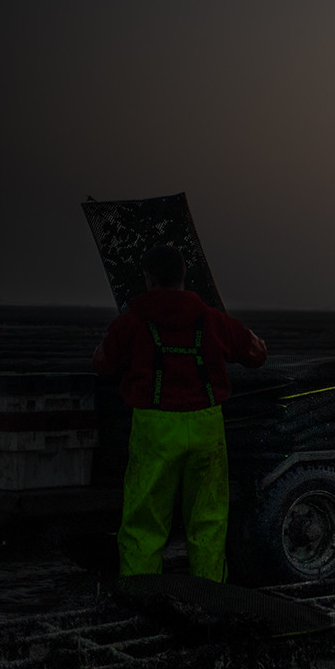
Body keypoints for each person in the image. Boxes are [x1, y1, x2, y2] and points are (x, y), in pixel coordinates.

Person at [93, 244, 268, 582]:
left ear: (148, 278)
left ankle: (141, 592)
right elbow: (257, 354)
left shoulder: (130, 323)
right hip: (206, 427)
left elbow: (102, 364)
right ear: (184, 274)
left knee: (145, 520)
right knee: (208, 518)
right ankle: (209, 594)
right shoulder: (214, 321)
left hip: (154, 428)